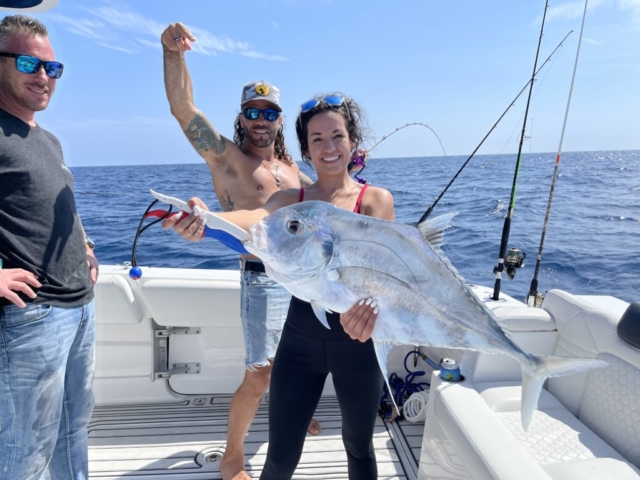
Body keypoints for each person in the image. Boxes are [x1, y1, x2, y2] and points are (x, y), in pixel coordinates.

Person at [167, 93, 394, 479]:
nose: (328, 147)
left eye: (336, 136)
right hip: (299, 345)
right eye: (317, 139)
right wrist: (206, 219)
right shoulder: (292, 200)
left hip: (357, 344)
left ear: (352, 140)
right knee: (280, 456)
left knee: (358, 447)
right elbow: (255, 218)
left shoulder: (375, 200)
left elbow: (385, 277)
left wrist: (374, 310)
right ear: (305, 148)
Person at [160, 22, 320, 480]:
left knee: (303, 362)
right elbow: (181, 107)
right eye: (253, 111)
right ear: (242, 117)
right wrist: (173, 54)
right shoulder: (226, 158)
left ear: (279, 119)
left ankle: (294, 412)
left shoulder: (292, 170)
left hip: (304, 279)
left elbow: (325, 204)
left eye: (269, 112)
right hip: (264, 280)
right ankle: (233, 458)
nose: (261, 120)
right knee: (261, 373)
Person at [0, 14, 99, 480]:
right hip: (32, 315)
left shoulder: (47, 139)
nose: (43, 77)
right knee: (27, 449)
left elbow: (48, 204)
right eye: (29, 63)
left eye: (52, 69)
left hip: (79, 306)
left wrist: (84, 246)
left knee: (72, 430)